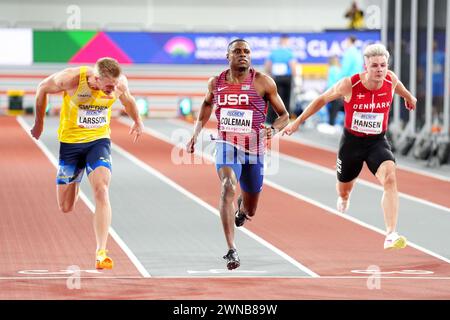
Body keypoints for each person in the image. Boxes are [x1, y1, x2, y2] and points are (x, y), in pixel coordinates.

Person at [283, 43, 417, 250]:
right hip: (351, 143)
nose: (379, 70)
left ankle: (391, 233)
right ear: (365, 66)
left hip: (377, 141)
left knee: (390, 177)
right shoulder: (350, 85)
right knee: (344, 188)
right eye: (374, 66)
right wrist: (298, 122)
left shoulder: (390, 79)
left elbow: (397, 86)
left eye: (383, 65)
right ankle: (344, 197)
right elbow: (322, 99)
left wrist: (409, 97)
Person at [30, 57, 144, 269]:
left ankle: (101, 252)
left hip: (98, 142)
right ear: (97, 78)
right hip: (71, 145)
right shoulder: (71, 79)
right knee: (66, 207)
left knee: (101, 189)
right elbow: (42, 88)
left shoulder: (118, 84)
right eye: (108, 85)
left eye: (115, 84)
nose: (113, 89)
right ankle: (77, 176)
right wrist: (39, 123)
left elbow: (128, 100)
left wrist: (137, 121)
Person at [186, 39, 289, 270]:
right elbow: (205, 105)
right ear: (228, 56)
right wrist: (195, 134)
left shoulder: (263, 82)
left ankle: (243, 208)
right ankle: (232, 249)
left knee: (251, 209)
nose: (243, 55)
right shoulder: (216, 82)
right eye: (237, 51)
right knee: (228, 186)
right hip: (226, 144)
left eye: (247, 51)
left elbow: (284, 115)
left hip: (254, 150)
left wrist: (273, 129)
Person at [264, 34, 297, 124]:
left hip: (276, 77)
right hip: (286, 78)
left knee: (273, 97)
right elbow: (293, 66)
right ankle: (284, 120)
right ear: (286, 41)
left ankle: (270, 120)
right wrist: (296, 78)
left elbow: (267, 66)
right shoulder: (289, 53)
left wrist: (271, 74)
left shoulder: (273, 52)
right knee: (286, 99)